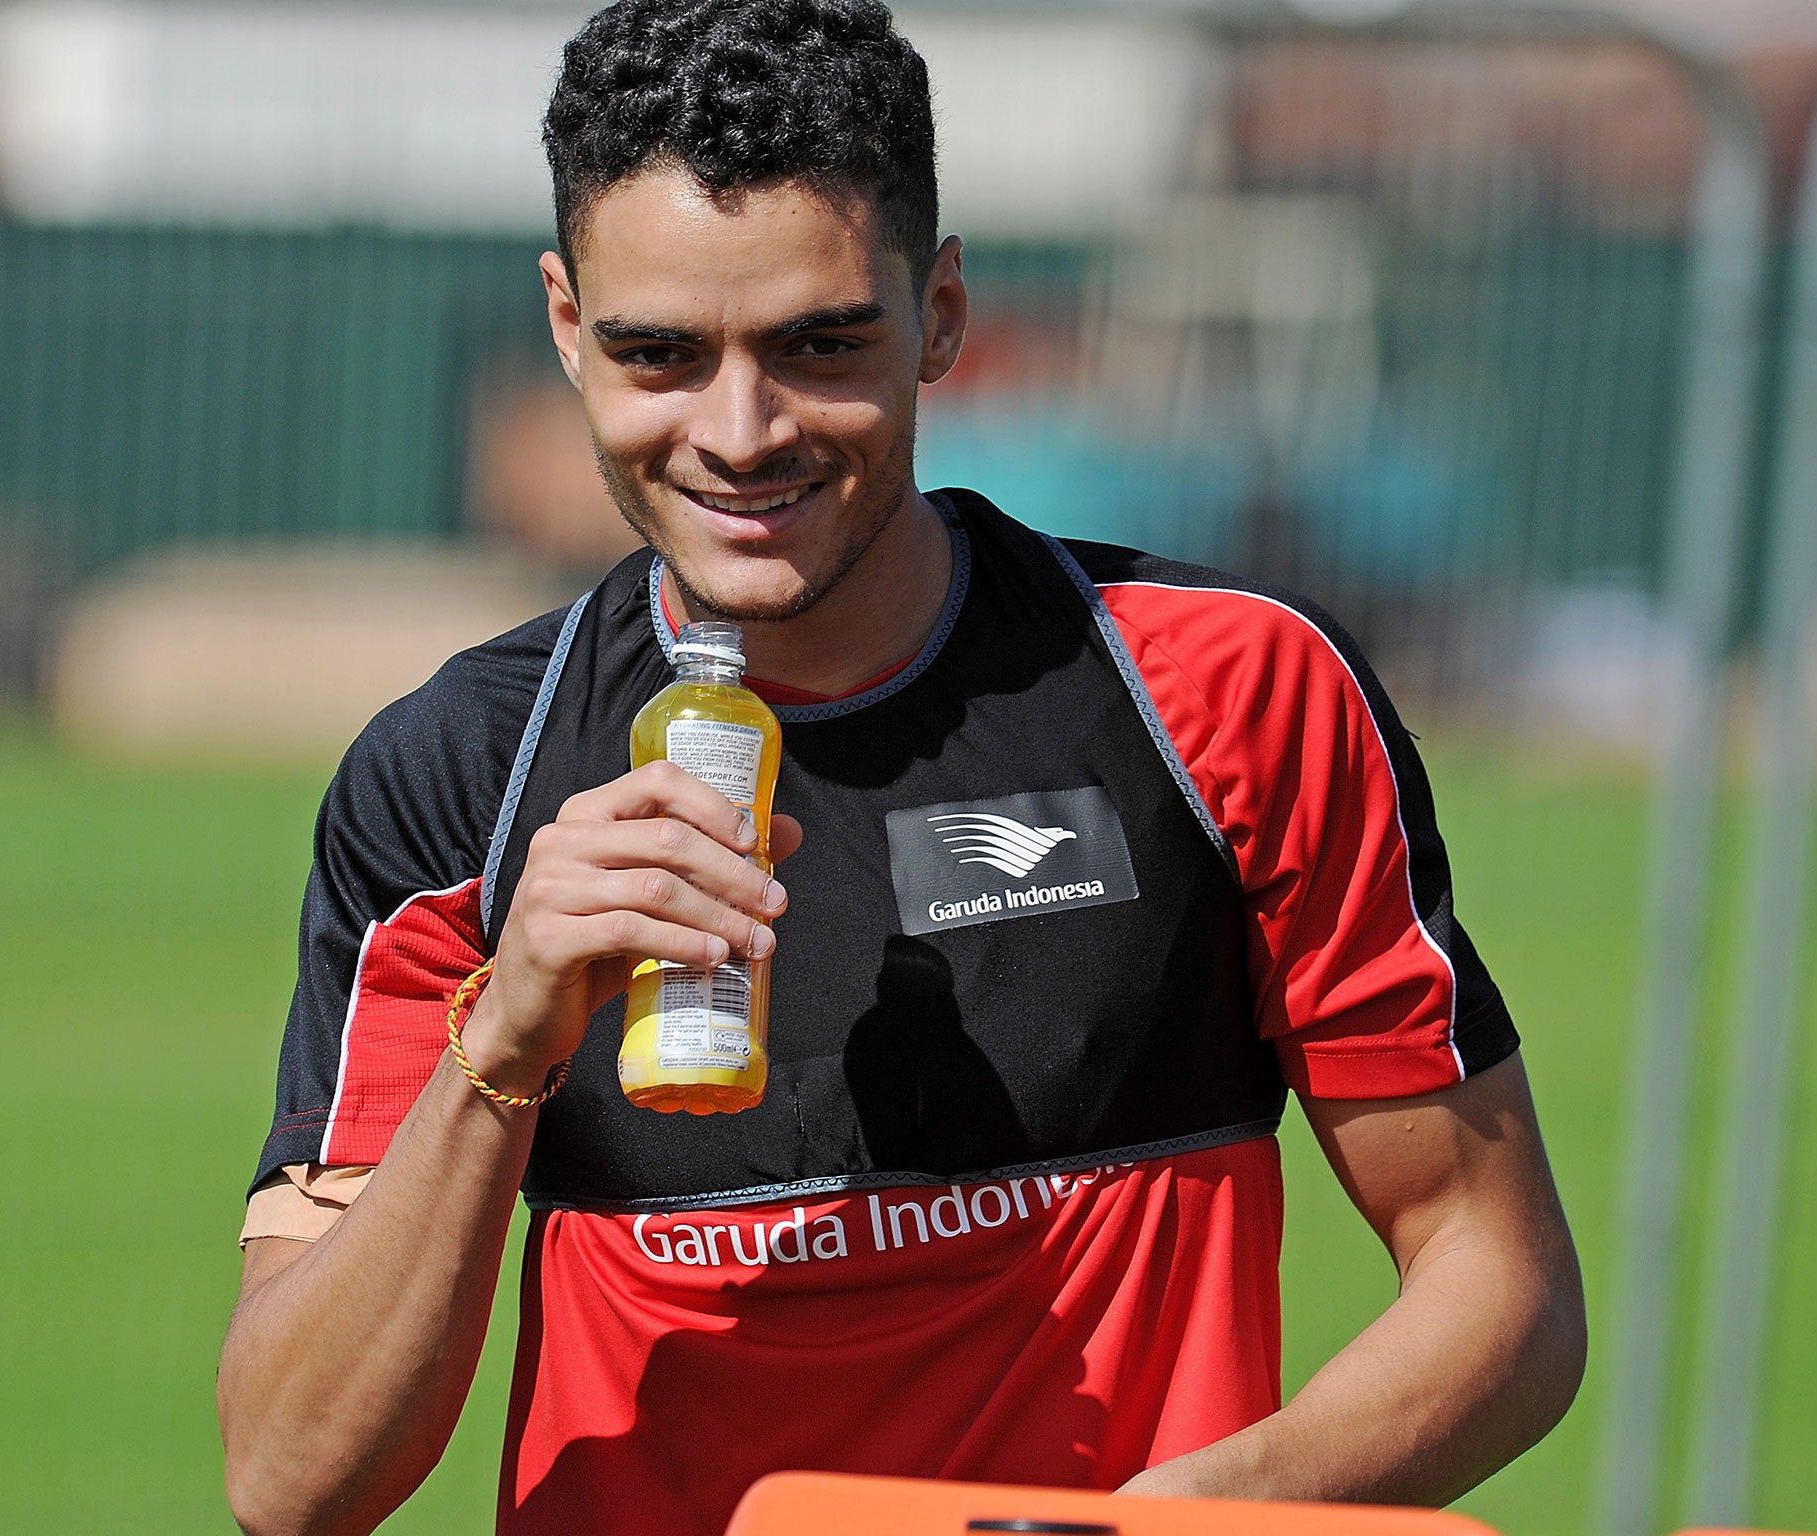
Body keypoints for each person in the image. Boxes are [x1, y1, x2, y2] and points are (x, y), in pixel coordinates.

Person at [216, 2, 1586, 1532]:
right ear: (564, 325)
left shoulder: (1233, 691)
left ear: (940, 315)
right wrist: (506, 1043)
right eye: (659, 353)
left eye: (819, 345)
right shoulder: (458, 775)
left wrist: (1155, 1524)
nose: (739, 432)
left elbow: (1502, 1287)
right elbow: (290, 1480)